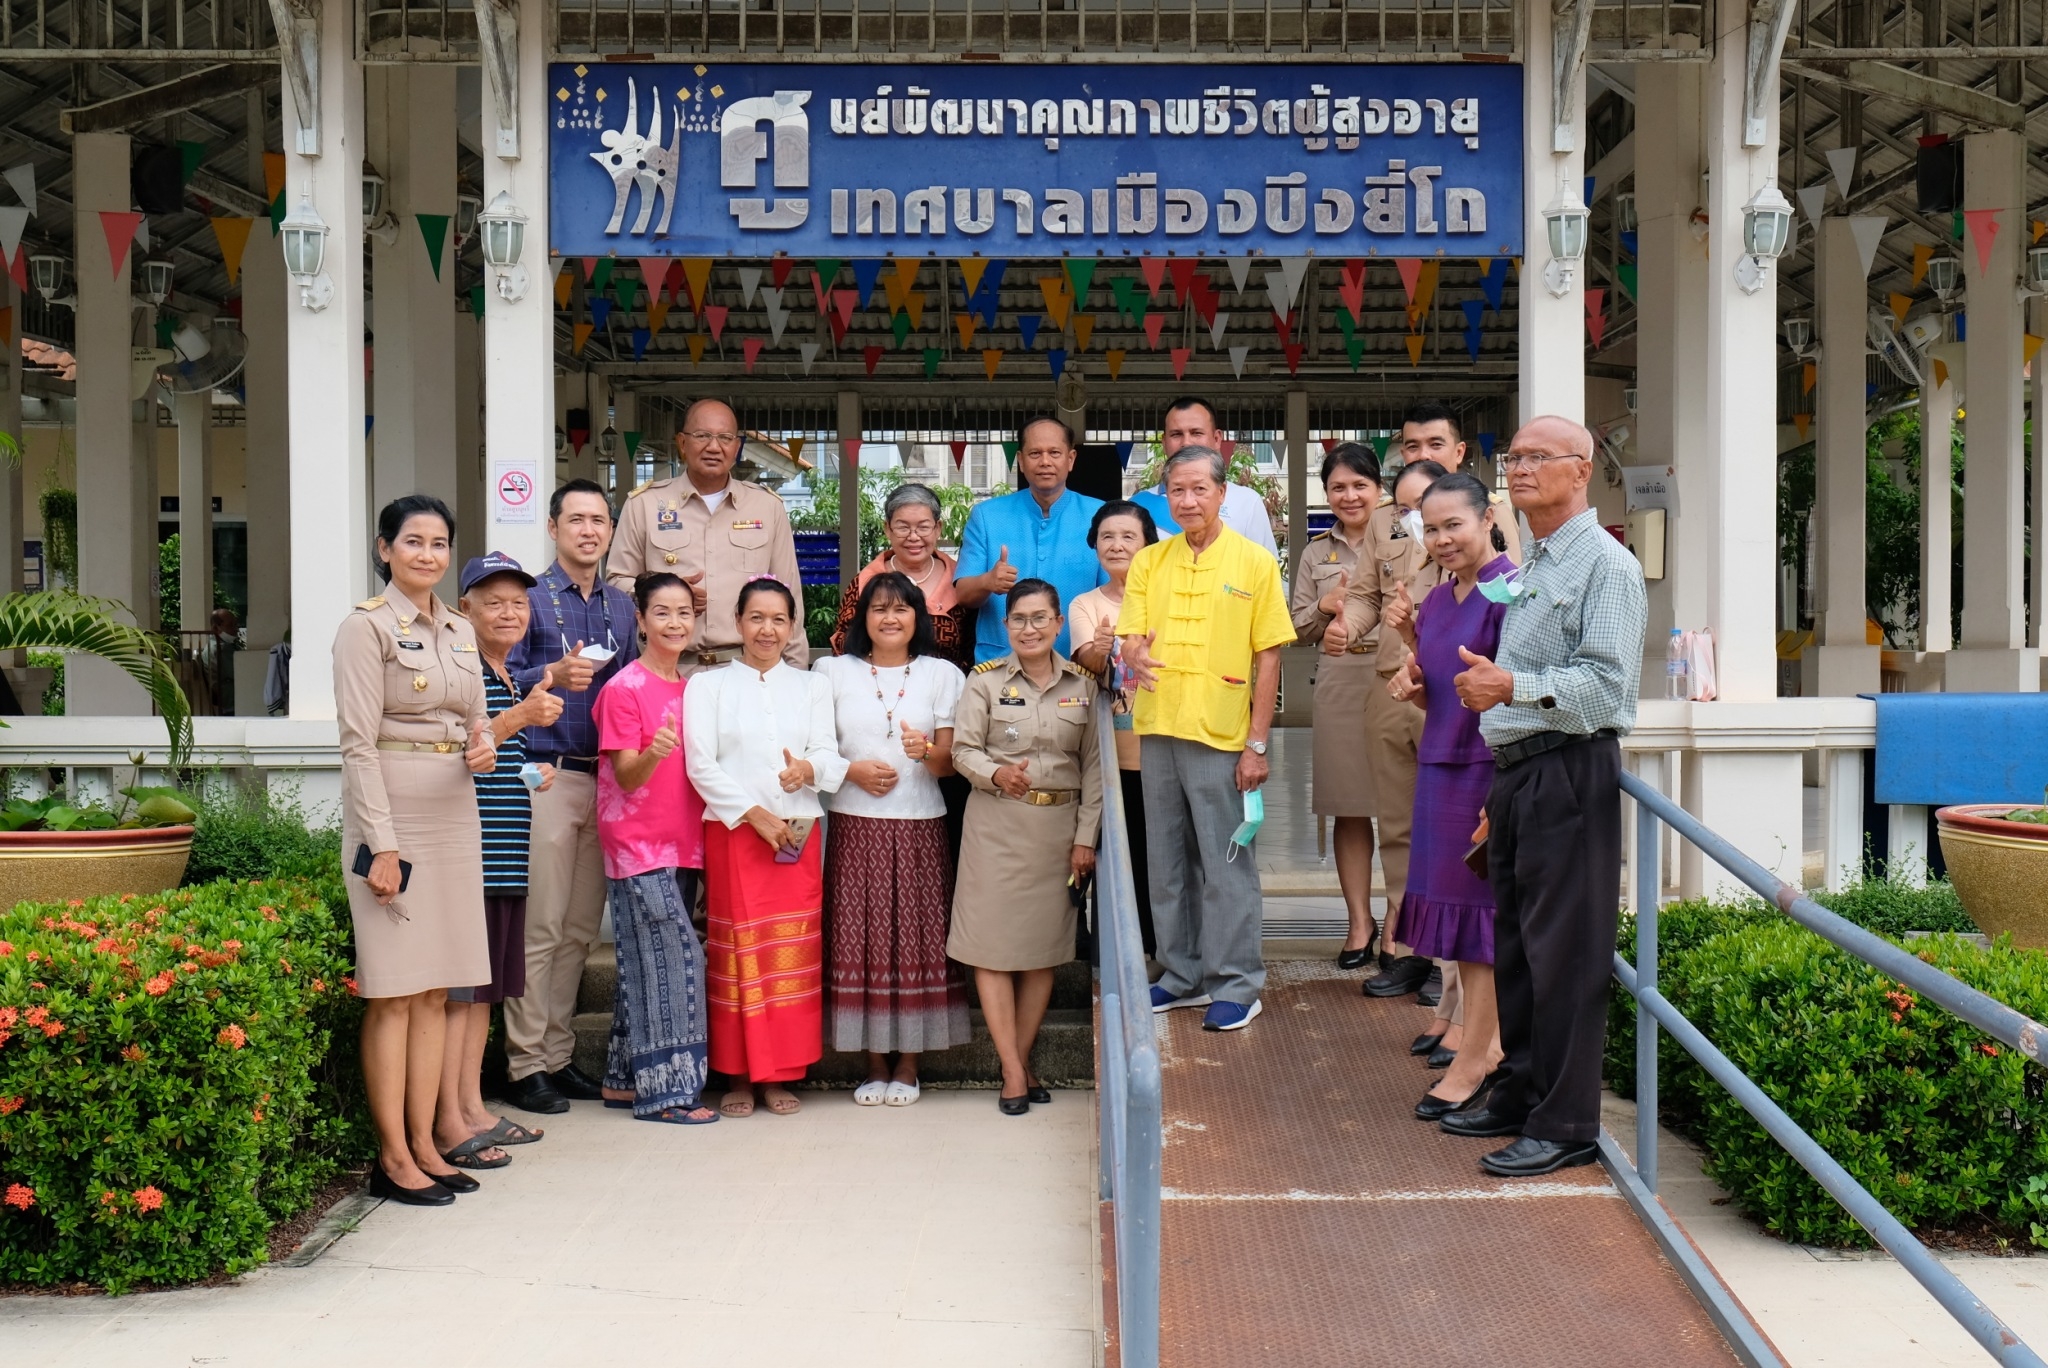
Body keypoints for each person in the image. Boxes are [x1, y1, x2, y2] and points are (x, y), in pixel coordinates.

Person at [1434, 416, 1647, 1179]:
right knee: (1519, 944)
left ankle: (1565, 1123)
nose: (1518, 470)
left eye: (1536, 458)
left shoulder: (1606, 567)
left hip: (1570, 767)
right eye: (1513, 457)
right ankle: (1522, 1090)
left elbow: (1608, 688)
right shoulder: (1539, 560)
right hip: (1522, 769)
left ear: (1581, 469)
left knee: (1565, 952)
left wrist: (1509, 686)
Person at [334, 494, 497, 1207]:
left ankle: (429, 1143)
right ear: (384, 549)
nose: (426, 554)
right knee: (395, 993)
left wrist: (485, 743)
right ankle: (393, 1156)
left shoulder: (460, 629)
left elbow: (476, 719)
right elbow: (357, 745)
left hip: (456, 813)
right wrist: (383, 845)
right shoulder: (363, 629)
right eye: (413, 542)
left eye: (438, 544)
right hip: (394, 818)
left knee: (436, 988)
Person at [1345, 401, 1521, 1004]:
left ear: (1458, 450)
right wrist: (1351, 622)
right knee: (1407, 838)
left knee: (1476, 876)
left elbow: (1514, 649)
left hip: (1481, 732)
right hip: (1415, 692)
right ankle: (1417, 958)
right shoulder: (1395, 534)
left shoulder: (1502, 570)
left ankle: (1471, 1019)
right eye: (1411, 445)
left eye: (1433, 444)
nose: (1440, 536)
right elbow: (1369, 597)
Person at [1121, 448, 1295, 1032]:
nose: (1188, 500)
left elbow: (1268, 655)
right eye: (1177, 490)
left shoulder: (1253, 562)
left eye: (1199, 489)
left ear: (1223, 494)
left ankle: (1238, 983)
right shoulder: (1149, 561)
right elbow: (1131, 637)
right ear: (1165, 497)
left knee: (1226, 864)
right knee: (1166, 863)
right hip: (1159, 727)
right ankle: (1180, 974)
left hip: (1223, 734)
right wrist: (1133, 651)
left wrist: (1258, 743)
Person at [684, 578, 848, 1117]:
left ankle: (780, 1073)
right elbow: (699, 764)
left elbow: (827, 750)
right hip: (734, 831)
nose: (767, 630)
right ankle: (737, 1075)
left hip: (797, 830)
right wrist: (753, 814)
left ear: (793, 627)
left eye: (779, 619)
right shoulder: (706, 686)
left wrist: (808, 768)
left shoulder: (812, 686)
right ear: (738, 623)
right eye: (756, 618)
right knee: (737, 955)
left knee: (791, 954)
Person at [503, 479, 640, 1115]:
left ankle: (557, 1058)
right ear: (554, 528)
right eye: (576, 519)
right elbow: (494, 680)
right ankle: (525, 1062)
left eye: (599, 521)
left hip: (605, 779)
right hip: (545, 774)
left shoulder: (620, 604)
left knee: (580, 930)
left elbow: (633, 684)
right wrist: (549, 675)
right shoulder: (527, 598)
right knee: (542, 924)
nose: (589, 530)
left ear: (611, 532)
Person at [1381, 474, 1515, 1124]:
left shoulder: (1512, 591)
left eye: (1452, 525)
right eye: (1429, 529)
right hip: (1437, 766)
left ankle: (1480, 1055)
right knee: (1457, 929)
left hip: (1485, 771)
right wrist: (1414, 679)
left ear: (1487, 517)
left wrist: (1503, 788)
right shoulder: (1434, 602)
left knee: (1481, 923)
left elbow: (1511, 696)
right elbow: (1448, 692)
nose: (1441, 540)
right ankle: (1481, 1043)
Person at [815, 573, 972, 1105]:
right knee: (858, 939)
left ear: (918, 617)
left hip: (922, 823)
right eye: (878, 608)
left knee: (916, 940)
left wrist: (924, 751)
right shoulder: (830, 671)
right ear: (861, 618)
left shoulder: (943, 674)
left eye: (902, 609)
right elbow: (813, 749)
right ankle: (872, 1062)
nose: (889, 618)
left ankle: (908, 1064)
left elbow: (950, 765)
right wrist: (850, 771)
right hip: (854, 823)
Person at [949, 578, 1101, 1114]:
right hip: (995, 826)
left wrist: (1086, 839)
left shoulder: (1084, 686)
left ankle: (1021, 1057)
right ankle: (1013, 1070)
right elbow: (963, 751)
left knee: (1043, 953)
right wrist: (995, 774)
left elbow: (1094, 769)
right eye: (1019, 619)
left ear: (1059, 624)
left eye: (1040, 618)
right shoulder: (984, 682)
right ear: (1005, 625)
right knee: (990, 950)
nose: (1030, 629)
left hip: (1057, 832)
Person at [432, 553, 561, 1173]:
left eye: (518, 602)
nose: (509, 612)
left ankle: (473, 1109)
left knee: (483, 995)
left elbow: (496, 761)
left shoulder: (505, 673)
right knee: (461, 996)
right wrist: (522, 718)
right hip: (472, 857)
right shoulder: (463, 674)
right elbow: (461, 752)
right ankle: (451, 1119)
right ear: (466, 611)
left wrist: (532, 772)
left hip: (507, 855)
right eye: (494, 602)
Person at [592, 572, 719, 1125]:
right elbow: (625, 776)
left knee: (644, 966)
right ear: (640, 620)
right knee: (676, 964)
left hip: (686, 844)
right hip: (637, 846)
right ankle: (667, 1095)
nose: (675, 622)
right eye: (662, 612)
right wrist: (655, 750)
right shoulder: (623, 688)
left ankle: (623, 1080)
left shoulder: (695, 689)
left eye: (684, 612)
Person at [608, 398, 805, 672]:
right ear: (682, 443)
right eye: (702, 436)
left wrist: (795, 672)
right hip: (670, 670)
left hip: (748, 670)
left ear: (737, 447)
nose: (714, 447)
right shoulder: (645, 504)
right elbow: (616, 584)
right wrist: (668, 593)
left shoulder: (767, 507)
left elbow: (788, 594)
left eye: (725, 438)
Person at [1290, 445, 1383, 970]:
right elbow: (1295, 627)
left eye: (1359, 485)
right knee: (1349, 805)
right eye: (1338, 487)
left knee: (1401, 806)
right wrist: (1323, 609)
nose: (1349, 496)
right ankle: (1358, 922)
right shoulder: (1313, 554)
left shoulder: (1404, 540)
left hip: (1398, 673)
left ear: (1379, 488)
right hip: (1340, 677)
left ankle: (1401, 925)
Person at [1067, 499, 1160, 956]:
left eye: (1128, 536)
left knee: (1154, 855)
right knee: (1108, 853)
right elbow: (1087, 659)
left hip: (1163, 748)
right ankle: (1114, 950)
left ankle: (1157, 950)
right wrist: (1102, 650)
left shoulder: (1167, 597)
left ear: (1148, 545)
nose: (1117, 545)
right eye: (1107, 536)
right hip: (1108, 754)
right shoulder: (1086, 603)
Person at [953, 417, 1106, 663]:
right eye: (1035, 453)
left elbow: (1114, 594)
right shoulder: (987, 516)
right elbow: (963, 595)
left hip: (1076, 667)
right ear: (1021, 461)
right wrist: (987, 581)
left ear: (1071, 459)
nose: (1045, 461)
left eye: (1054, 452)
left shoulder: (1101, 516)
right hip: (1000, 667)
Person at [830, 483, 971, 671]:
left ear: (938, 528)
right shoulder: (863, 583)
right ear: (888, 529)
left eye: (923, 527)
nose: (913, 537)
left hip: (948, 693)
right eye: (903, 527)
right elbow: (843, 646)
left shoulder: (962, 581)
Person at [1128, 397, 1279, 557]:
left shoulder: (1247, 502)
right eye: (1176, 434)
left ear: (1216, 439)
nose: (1186, 442)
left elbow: (1267, 571)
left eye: (1196, 433)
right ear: (1164, 442)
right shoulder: (1138, 506)